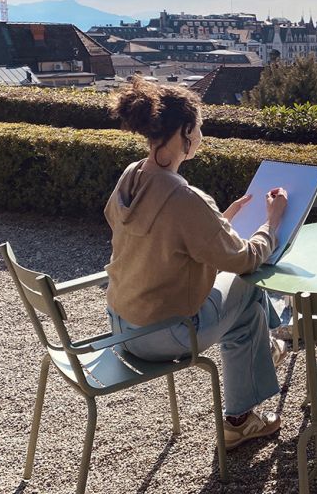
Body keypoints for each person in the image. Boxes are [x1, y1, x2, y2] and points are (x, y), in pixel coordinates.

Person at [104, 76, 288, 450]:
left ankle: (258, 370)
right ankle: (263, 363)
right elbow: (246, 259)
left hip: (123, 324)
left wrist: (220, 221)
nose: (202, 135)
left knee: (245, 316)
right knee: (248, 285)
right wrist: (273, 220)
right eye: (199, 127)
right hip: (165, 333)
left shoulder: (132, 175)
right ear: (185, 132)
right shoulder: (183, 197)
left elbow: (164, 239)